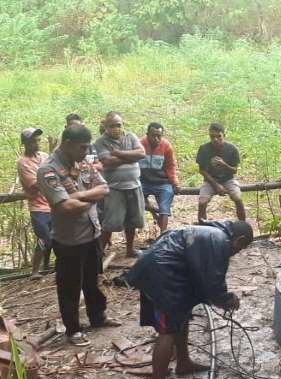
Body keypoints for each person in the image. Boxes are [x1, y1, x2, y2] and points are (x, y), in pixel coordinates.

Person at [122, 220, 253, 379]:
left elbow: (200, 275)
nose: (237, 252)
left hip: (159, 267)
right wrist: (227, 299)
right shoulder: (220, 242)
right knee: (167, 331)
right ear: (239, 240)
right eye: (241, 248)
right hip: (163, 274)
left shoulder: (212, 232)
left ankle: (183, 362)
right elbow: (212, 283)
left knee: (181, 316)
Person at [37, 125, 119, 346]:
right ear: (67, 143)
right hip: (69, 239)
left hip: (92, 232)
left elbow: (104, 188)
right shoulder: (48, 170)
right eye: (82, 147)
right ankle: (73, 329)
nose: (86, 151)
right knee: (70, 287)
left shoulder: (81, 162)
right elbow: (66, 207)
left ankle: (98, 317)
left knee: (93, 280)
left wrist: (79, 195)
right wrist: (87, 197)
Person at [94, 112, 146, 257]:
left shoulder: (131, 136)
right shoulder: (100, 142)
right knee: (110, 222)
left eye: (119, 125)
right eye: (112, 126)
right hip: (114, 188)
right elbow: (107, 162)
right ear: (105, 127)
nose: (116, 128)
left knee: (133, 220)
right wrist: (130, 156)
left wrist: (117, 153)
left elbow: (141, 154)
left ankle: (130, 250)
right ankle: (98, 253)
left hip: (134, 185)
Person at [16, 128, 51, 279]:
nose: (37, 143)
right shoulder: (23, 162)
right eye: (33, 141)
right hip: (38, 206)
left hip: (53, 203)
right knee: (43, 238)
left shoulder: (44, 156)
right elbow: (34, 185)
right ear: (25, 144)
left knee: (56, 237)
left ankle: (47, 266)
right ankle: (35, 271)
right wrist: (51, 177)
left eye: (38, 140)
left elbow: (54, 170)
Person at [196, 123, 245, 221]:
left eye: (219, 136)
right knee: (202, 202)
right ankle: (203, 228)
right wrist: (216, 185)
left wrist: (224, 165)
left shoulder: (232, 149)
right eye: (212, 136)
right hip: (210, 180)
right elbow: (202, 170)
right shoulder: (204, 149)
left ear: (224, 136)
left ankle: (243, 226)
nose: (215, 139)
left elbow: (234, 170)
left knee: (238, 199)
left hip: (228, 179)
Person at [138, 122, 180, 234]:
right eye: (153, 135)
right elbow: (133, 165)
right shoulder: (139, 144)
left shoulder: (166, 146)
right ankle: (152, 212)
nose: (156, 139)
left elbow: (170, 166)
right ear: (147, 134)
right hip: (143, 181)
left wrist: (174, 183)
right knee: (134, 196)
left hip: (162, 182)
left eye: (159, 136)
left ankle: (163, 235)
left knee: (164, 207)